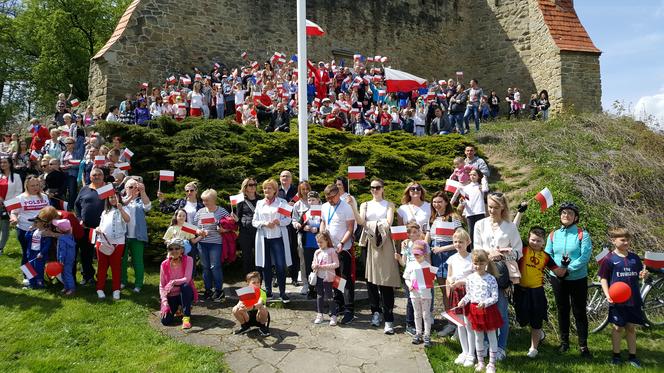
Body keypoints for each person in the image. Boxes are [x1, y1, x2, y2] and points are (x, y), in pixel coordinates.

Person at [473, 192, 522, 360]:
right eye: (490, 207)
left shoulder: (510, 226)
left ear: (503, 208)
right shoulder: (480, 224)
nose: (492, 210)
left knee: (501, 311)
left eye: (495, 207)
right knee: (484, 309)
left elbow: (518, 251)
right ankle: (486, 343)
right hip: (484, 273)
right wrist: (489, 252)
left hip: (502, 274)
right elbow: (477, 248)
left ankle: (501, 346)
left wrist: (503, 254)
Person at [347, 179, 400, 332]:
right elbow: (360, 221)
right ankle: (375, 312)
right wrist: (353, 206)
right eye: (372, 188)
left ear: (383, 189)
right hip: (368, 242)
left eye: (377, 187)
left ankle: (388, 317)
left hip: (384, 242)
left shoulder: (389, 204)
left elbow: (388, 222)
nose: (374, 190)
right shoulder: (365, 204)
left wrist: (372, 224)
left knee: (385, 279)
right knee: (370, 280)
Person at [545, 202, 592, 357]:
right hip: (557, 278)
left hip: (577, 278)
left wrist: (567, 270)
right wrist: (557, 270)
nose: (566, 215)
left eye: (570, 213)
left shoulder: (582, 234)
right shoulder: (553, 234)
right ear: (560, 216)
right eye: (564, 213)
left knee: (579, 312)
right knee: (562, 310)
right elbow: (547, 254)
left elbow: (584, 257)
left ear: (575, 217)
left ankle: (583, 345)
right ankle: (564, 343)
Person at [599, 227, 647, 368]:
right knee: (618, 328)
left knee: (631, 327)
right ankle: (616, 356)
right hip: (617, 300)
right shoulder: (609, 259)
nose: (626, 242)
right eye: (623, 240)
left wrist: (644, 275)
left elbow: (640, 273)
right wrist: (608, 295)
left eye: (628, 240)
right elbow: (603, 279)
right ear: (614, 241)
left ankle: (633, 356)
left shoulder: (634, 258)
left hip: (633, 299)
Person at [514, 227, 565, 358]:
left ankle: (533, 348)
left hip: (537, 292)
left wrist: (565, 265)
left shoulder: (546, 257)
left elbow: (559, 272)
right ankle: (540, 334)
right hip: (521, 290)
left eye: (538, 241)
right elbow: (513, 230)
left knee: (536, 320)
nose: (535, 243)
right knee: (522, 319)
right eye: (533, 240)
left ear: (544, 242)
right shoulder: (522, 250)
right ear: (528, 239)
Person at [458, 249, 503, 373]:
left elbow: (495, 297)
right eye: (476, 263)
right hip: (474, 310)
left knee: (491, 336)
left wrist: (485, 303)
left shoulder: (491, 279)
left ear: (486, 263)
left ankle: (492, 364)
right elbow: (469, 294)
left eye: (481, 264)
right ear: (473, 263)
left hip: (488, 311)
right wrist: (463, 300)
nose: (478, 266)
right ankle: (481, 362)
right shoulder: (470, 278)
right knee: (478, 337)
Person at [321, 184, 357, 325]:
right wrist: (322, 237)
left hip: (343, 248)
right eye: (327, 198)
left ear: (337, 194)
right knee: (335, 277)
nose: (330, 200)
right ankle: (339, 304)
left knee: (346, 278)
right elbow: (324, 222)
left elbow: (350, 228)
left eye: (332, 197)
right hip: (330, 248)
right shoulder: (324, 207)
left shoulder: (346, 208)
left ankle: (349, 310)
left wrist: (342, 242)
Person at [252, 179, 292, 303]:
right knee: (266, 265)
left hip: (278, 238)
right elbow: (254, 221)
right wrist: (264, 223)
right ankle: (268, 291)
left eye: (269, 188)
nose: (266, 191)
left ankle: (282, 292)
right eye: (264, 188)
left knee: (280, 265)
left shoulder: (282, 202)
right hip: (264, 238)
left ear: (275, 190)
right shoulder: (259, 203)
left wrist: (279, 222)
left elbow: (288, 220)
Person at [426, 191, 462, 326]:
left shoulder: (453, 217)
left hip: (449, 256)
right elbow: (428, 238)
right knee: (443, 290)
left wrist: (443, 249)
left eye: (440, 202)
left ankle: (458, 323)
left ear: (446, 202)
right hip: (435, 256)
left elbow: (461, 240)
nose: (437, 205)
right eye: (434, 202)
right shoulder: (433, 218)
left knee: (452, 291)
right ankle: (450, 322)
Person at [446, 229, 476, 367]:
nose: (458, 244)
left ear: (468, 242)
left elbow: (476, 277)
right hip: (456, 293)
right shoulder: (452, 258)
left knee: (469, 325)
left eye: (461, 242)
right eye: (455, 241)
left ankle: (471, 354)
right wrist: (450, 284)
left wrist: (462, 282)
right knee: (460, 324)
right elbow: (449, 276)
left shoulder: (472, 258)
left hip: (468, 293)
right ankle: (464, 351)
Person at [194, 188, 230, 301]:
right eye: (203, 200)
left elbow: (230, 225)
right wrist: (198, 231)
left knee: (215, 267)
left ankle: (219, 290)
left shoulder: (222, 211)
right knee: (205, 268)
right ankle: (208, 290)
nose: (205, 203)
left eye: (207, 200)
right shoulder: (200, 212)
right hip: (202, 243)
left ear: (214, 200)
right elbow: (194, 227)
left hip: (216, 243)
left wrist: (223, 230)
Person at [10, 176, 51, 274]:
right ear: (26, 186)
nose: (35, 187)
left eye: (37, 185)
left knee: (40, 253)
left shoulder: (44, 196)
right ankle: (27, 276)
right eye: (32, 185)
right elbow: (13, 213)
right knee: (27, 253)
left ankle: (38, 276)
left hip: (42, 231)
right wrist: (14, 219)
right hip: (25, 230)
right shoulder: (19, 198)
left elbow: (48, 211)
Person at [74, 167, 107, 285]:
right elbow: (76, 205)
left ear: (103, 176)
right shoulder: (84, 189)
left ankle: (102, 276)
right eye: (94, 175)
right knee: (85, 253)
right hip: (86, 228)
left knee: (102, 253)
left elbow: (114, 203)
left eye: (99, 174)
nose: (97, 176)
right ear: (90, 177)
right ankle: (87, 276)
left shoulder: (107, 189)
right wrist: (79, 219)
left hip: (103, 229)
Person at [95, 191, 129, 300]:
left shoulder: (124, 209)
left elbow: (127, 220)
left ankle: (116, 290)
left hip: (118, 243)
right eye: (110, 198)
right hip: (102, 242)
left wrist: (121, 209)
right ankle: (99, 288)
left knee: (116, 267)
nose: (112, 199)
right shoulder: (105, 211)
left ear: (119, 197)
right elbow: (100, 225)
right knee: (102, 266)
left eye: (114, 197)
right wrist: (98, 229)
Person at [160, 238, 198, 330]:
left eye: (177, 248)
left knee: (185, 286)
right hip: (171, 295)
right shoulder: (164, 264)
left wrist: (173, 282)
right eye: (171, 249)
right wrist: (165, 303)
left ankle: (186, 318)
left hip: (184, 293)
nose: (174, 251)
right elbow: (162, 285)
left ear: (182, 249)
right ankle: (178, 308)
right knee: (165, 321)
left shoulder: (189, 259)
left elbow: (187, 279)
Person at [120, 178, 150, 293]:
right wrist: (130, 197)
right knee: (122, 261)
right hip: (123, 236)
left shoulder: (140, 201)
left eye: (135, 187)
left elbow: (148, 207)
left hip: (137, 236)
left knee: (138, 261)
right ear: (125, 188)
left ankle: (138, 284)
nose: (134, 189)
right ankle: (123, 281)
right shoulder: (121, 200)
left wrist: (142, 192)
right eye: (131, 187)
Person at [396, 222, 425, 336]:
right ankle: (409, 324)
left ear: (419, 232)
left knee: (422, 299)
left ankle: (421, 324)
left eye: (415, 232)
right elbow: (404, 263)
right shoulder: (406, 245)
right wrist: (398, 258)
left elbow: (427, 259)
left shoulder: (423, 244)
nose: (413, 234)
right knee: (410, 300)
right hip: (410, 276)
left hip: (421, 274)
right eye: (410, 233)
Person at [403, 242, 434, 347]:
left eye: (419, 254)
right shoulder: (411, 265)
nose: (416, 256)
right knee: (417, 314)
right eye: (415, 254)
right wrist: (409, 285)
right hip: (414, 294)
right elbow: (406, 278)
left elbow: (431, 280)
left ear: (424, 254)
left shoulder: (427, 266)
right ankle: (418, 333)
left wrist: (429, 282)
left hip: (425, 295)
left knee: (426, 315)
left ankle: (427, 335)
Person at [312, 231, 340, 325]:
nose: (319, 244)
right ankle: (320, 314)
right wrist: (314, 266)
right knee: (319, 296)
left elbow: (336, 264)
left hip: (329, 278)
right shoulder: (317, 252)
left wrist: (323, 267)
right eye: (318, 242)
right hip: (319, 277)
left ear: (327, 241)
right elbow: (313, 263)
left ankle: (333, 315)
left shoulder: (331, 251)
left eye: (321, 242)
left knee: (329, 296)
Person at [457, 169, 488, 249]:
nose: (472, 176)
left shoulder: (481, 187)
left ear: (478, 176)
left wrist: (484, 179)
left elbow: (485, 190)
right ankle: (472, 250)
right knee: (471, 233)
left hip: (480, 212)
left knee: (481, 232)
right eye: (471, 175)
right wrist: (462, 202)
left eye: (474, 175)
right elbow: (465, 200)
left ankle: (482, 249)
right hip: (470, 213)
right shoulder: (466, 188)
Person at [277, 170, 299, 286]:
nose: (285, 178)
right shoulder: (276, 191)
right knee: (278, 251)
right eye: (283, 176)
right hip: (279, 225)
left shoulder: (297, 192)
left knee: (293, 251)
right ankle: (278, 277)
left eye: (287, 176)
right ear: (280, 178)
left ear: (291, 179)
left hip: (292, 226)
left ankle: (294, 277)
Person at [234, 178, 260, 275]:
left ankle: (259, 279)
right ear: (245, 187)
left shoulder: (261, 199)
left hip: (258, 231)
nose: (253, 186)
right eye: (250, 185)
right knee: (247, 257)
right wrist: (237, 220)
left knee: (259, 256)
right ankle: (249, 279)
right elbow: (238, 217)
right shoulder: (240, 201)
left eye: (254, 184)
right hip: (245, 232)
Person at [232, 271, 270, 336]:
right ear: (248, 283)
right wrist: (240, 307)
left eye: (258, 282)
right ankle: (245, 326)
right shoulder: (245, 292)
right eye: (254, 283)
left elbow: (259, 303)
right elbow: (240, 302)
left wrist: (250, 308)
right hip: (247, 316)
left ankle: (263, 327)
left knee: (263, 308)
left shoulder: (262, 292)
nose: (257, 284)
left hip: (258, 317)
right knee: (235, 309)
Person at [291, 181, 312, 295]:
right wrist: (297, 225)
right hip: (302, 235)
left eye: (307, 189)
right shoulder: (297, 204)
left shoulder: (316, 202)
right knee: (303, 260)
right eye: (303, 189)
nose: (305, 191)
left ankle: (316, 283)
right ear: (299, 190)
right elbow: (293, 219)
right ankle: (305, 284)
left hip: (315, 235)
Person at [24, 213, 53, 289]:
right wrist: (29, 230)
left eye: (36, 222)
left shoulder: (45, 232)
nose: (34, 224)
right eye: (34, 222)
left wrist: (42, 253)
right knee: (29, 268)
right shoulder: (34, 231)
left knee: (38, 268)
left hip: (39, 253)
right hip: (31, 253)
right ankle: (32, 284)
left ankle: (40, 284)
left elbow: (47, 244)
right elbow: (26, 238)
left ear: (43, 223)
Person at [0, 157, 23, 255]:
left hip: (10, 205)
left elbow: (19, 192)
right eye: (1, 163)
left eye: (5, 162)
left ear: (10, 164)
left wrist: (7, 203)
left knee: (5, 227)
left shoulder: (16, 176)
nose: (2, 164)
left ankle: (0, 248)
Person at [52, 218, 76, 295]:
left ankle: (71, 288)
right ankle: (66, 287)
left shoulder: (62, 238)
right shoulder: (70, 236)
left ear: (61, 229)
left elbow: (62, 251)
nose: (56, 228)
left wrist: (61, 260)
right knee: (65, 273)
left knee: (66, 273)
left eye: (57, 227)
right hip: (70, 258)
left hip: (64, 260)